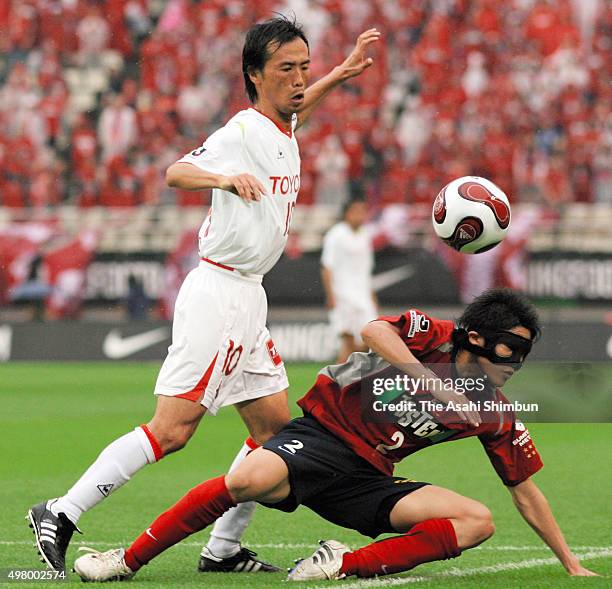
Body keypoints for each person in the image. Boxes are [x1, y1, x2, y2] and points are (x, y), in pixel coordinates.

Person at [27, 16, 381, 575]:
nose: (297, 79)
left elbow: (296, 115)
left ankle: (222, 550)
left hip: (249, 297)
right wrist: (223, 180)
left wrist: (339, 73)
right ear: (254, 76)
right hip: (218, 293)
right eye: (285, 69)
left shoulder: (281, 129)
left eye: (303, 68)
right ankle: (61, 511)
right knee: (173, 430)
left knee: (275, 438)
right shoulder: (242, 130)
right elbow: (176, 172)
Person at [71, 289, 598, 581]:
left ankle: (338, 564)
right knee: (249, 477)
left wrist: (570, 565)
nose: (516, 365)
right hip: (322, 436)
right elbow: (374, 330)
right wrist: (428, 382)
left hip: (369, 478)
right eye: (511, 350)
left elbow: (524, 490)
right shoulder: (434, 336)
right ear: (476, 338)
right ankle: (126, 560)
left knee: (476, 521)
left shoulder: (493, 411)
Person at [321, 198, 377, 363]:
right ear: (347, 214)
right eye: (356, 211)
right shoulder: (336, 234)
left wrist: (372, 296)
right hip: (343, 296)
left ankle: (349, 383)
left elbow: (367, 270)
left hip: (362, 296)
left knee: (371, 341)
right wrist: (331, 295)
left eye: (363, 211)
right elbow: (326, 267)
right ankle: (336, 386)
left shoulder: (365, 235)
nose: (360, 215)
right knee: (349, 344)